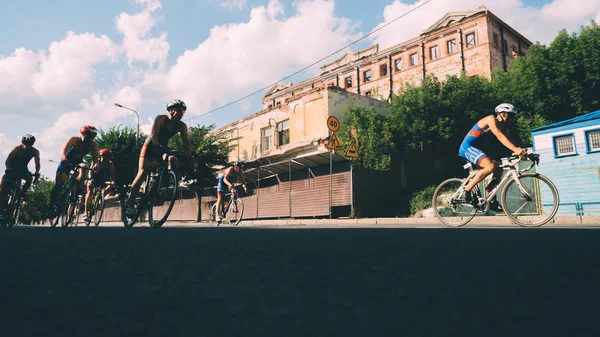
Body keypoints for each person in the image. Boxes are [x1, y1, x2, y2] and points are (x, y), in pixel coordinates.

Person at [125, 99, 192, 217]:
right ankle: (130, 203)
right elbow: (154, 132)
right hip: (150, 145)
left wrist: (189, 155)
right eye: (179, 111)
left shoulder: (181, 126)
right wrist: (156, 144)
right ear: (171, 111)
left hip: (163, 146)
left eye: (183, 112)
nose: (181, 114)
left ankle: (163, 183)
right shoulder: (161, 118)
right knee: (142, 172)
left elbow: (186, 142)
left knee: (172, 160)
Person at [458, 103, 527, 208]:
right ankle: (467, 190)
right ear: (503, 114)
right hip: (467, 147)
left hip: (480, 149)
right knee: (490, 166)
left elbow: (511, 140)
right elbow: (499, 135)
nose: (513, 119)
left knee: (498, 169)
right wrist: (515, 149)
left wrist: (524, 151)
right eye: (512, 116)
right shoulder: (490, 119)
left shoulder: (504, 126)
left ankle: (491, 198)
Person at [45, 125, 99, 218]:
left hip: (78, 161)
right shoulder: (74, 140)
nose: (91, 139)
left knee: (84, 167)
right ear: (83, 135)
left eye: (93, 137)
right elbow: (63, 150)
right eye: (89, 136)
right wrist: (64, 159)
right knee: (59, 184)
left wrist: (96, 165)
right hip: (67, 160)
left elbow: (95, 159)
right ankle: (50, 207)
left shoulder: (93, 145)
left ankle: (76, 190)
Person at [0, 134, 40, 219]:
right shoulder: (17, 149)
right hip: (12, 167)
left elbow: (37, 162)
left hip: (23, 169)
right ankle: (2, 205)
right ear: (22, 143)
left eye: (29, 145)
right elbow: (8, 160)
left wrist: (37, 172)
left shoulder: (35, 151)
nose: (27, 146)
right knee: (3, 188)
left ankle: (22, 193)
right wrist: (8, 168)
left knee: (29, 178)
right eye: (26, 144)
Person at [83, 148, 116, 222]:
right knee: (89, 193)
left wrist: (112, 181)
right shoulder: (96, 161)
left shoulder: (110, 163)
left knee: (111, 186)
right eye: (105, 156)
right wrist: (90, 178)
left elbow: (112, 174)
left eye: (108, 156)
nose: (106, 158)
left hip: (103, 180)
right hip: (94, 179)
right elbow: (90, 171)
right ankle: (85, 212)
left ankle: (101, 197)